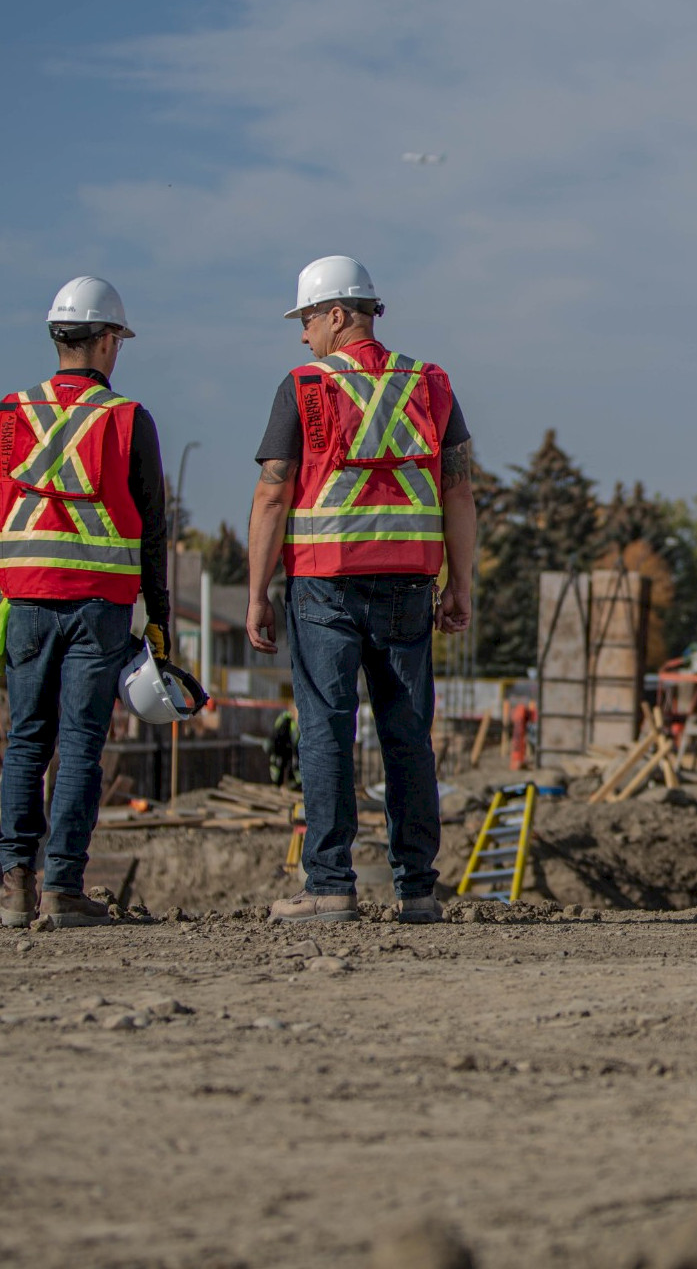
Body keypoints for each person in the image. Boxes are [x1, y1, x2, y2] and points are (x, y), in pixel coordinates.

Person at [247, 256, 476, 924]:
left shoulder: (303, 386)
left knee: (324, 729)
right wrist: (458, 583)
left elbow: (271, 492)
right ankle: (416, 891)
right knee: (407, 735)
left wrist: (257, 588)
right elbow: (458, 488)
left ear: (340, 314)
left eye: (309, 318)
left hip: (323, 586)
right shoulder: (429, 384)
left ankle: (329, 887)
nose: (303, 334)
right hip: (409, 583)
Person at [0, 277, 171, 928]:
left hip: (26, 603)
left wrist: (8, 577)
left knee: (26, 740)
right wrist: (160, 617)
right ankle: (62, 888)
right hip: (98, 607)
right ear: (109, 341)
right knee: (82, 744)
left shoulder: (11, 414)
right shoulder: (125, 419)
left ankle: (14, 890)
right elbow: (151, 527)